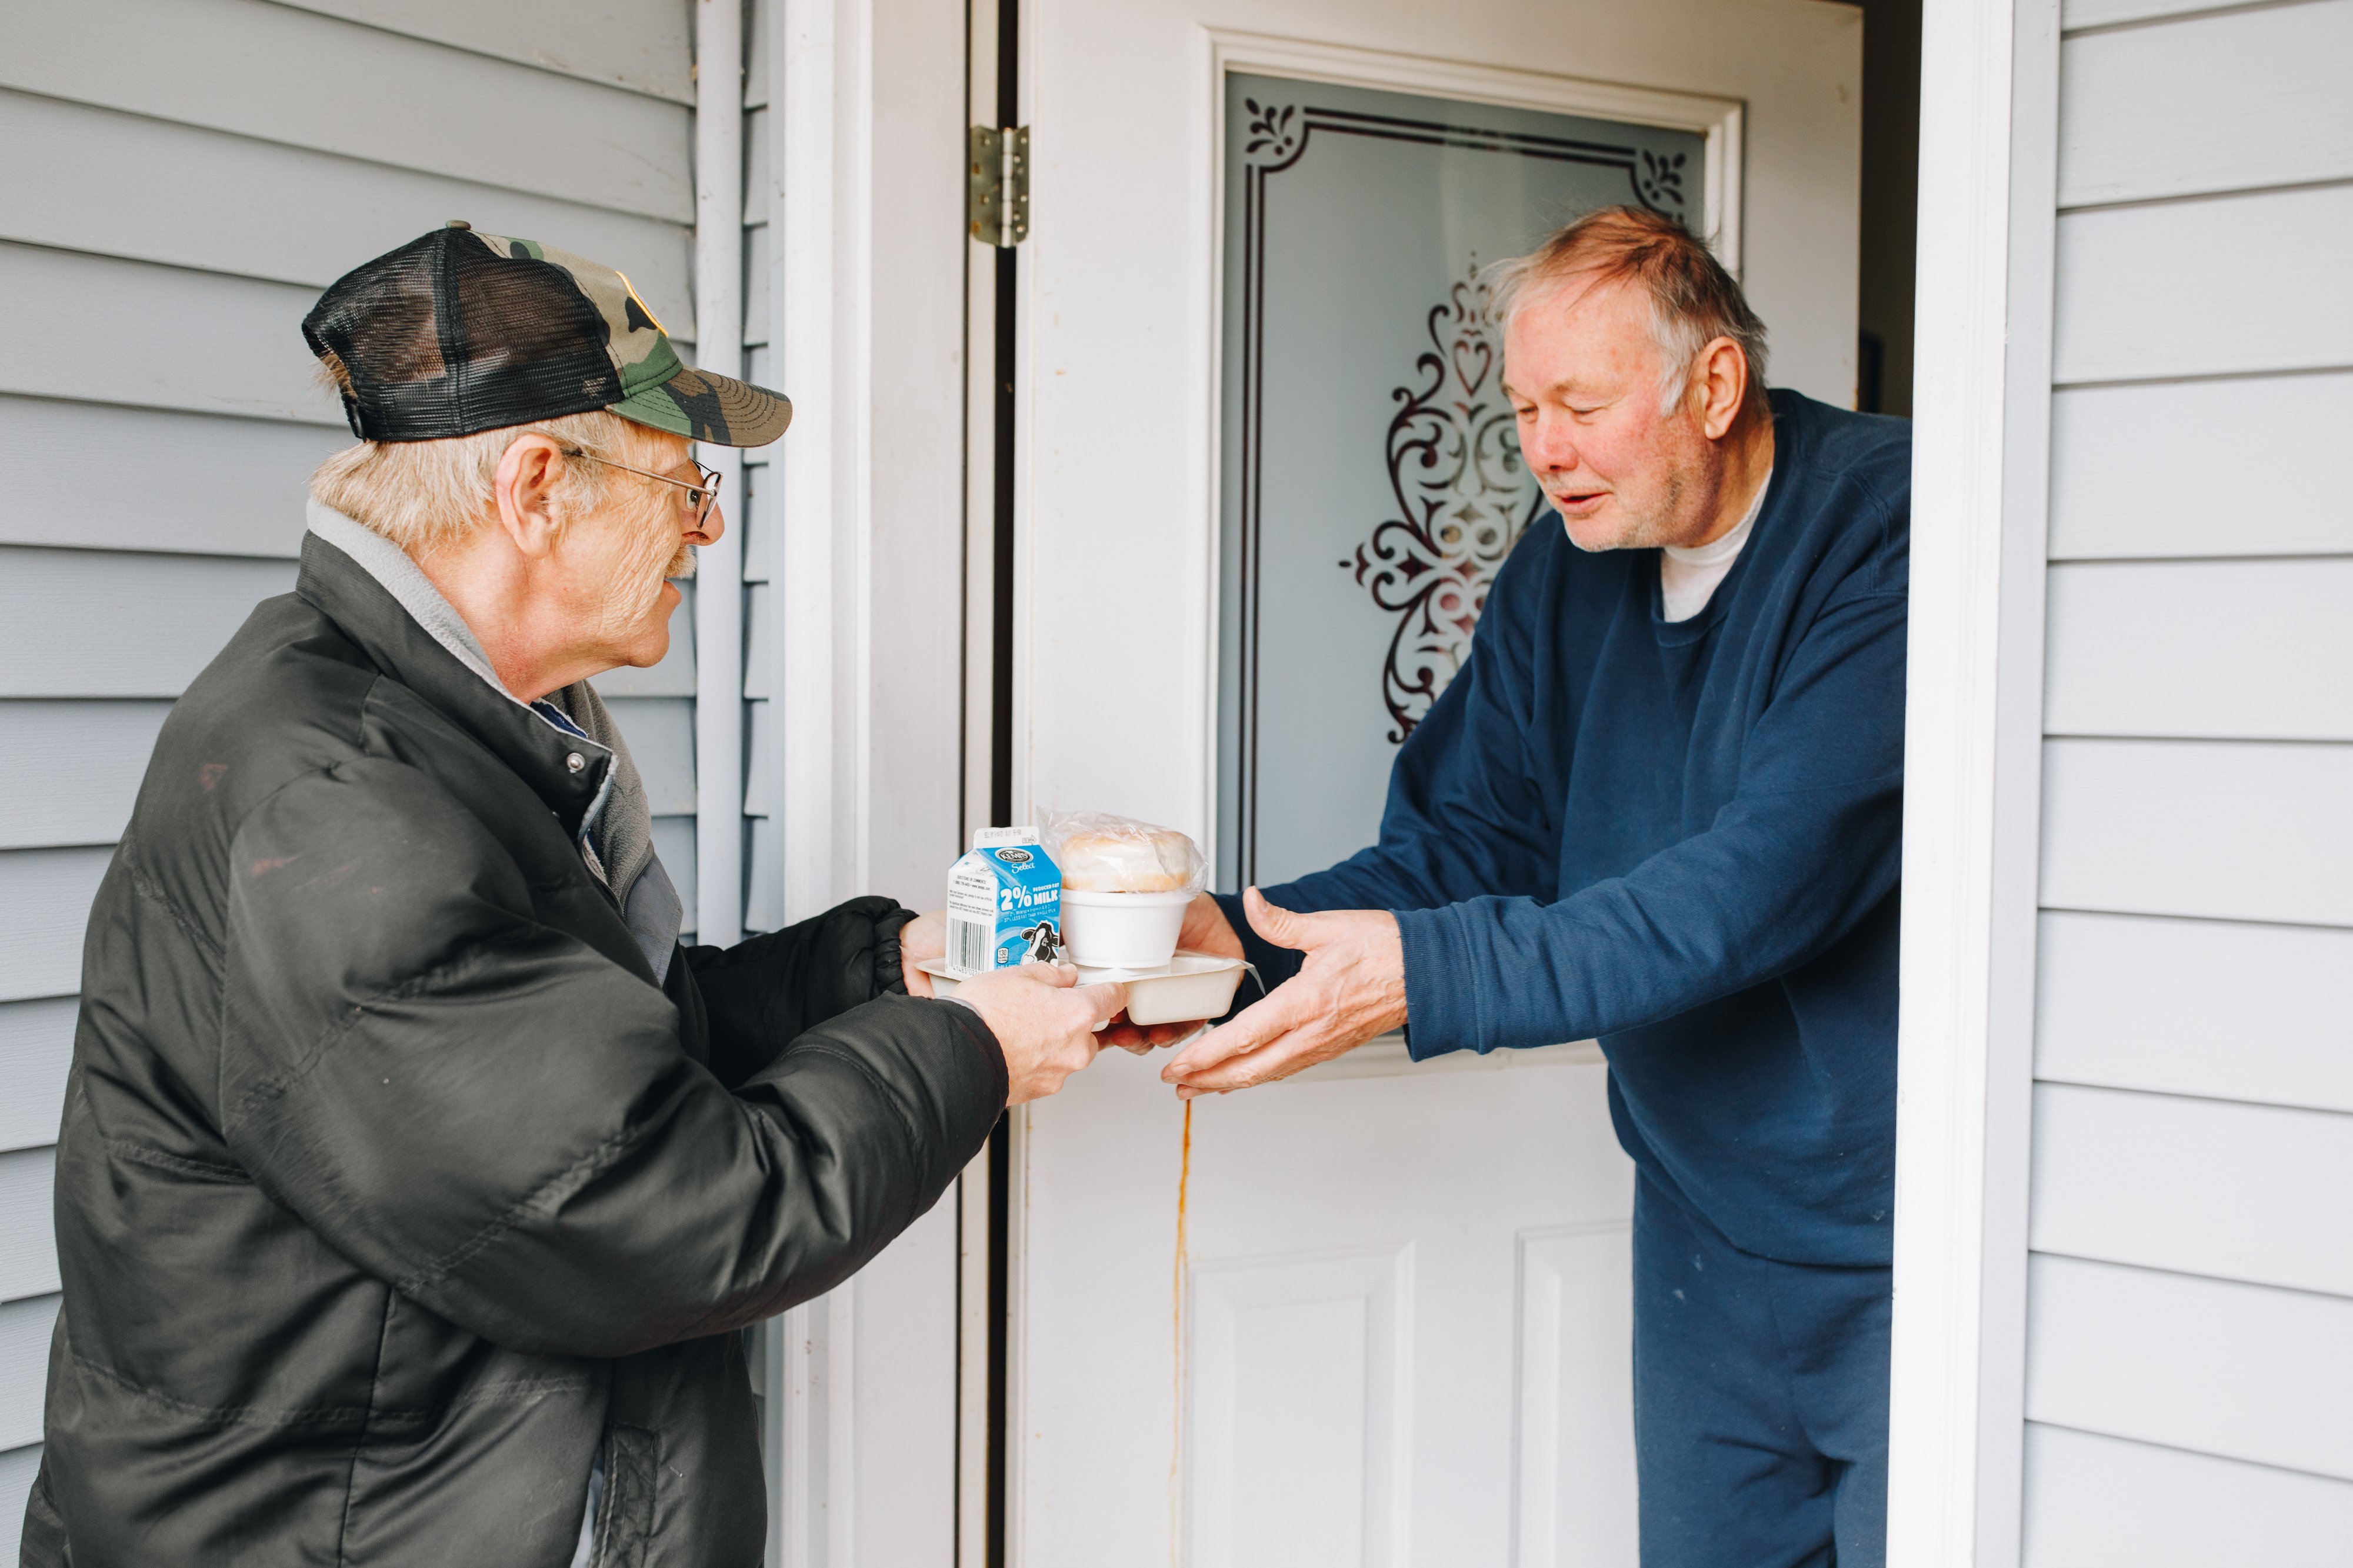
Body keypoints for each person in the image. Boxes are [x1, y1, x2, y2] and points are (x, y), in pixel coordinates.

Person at [22, 225, 1126, 1567]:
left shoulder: (443, 721)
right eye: (684, 488)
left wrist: (886, 972)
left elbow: (593, 1048)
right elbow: (667, 1207)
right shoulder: (339, 802)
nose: (706, 531)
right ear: (537, 483)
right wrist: (976, 1050)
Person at [1164, 206, 1908, 1567]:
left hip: (1897, 1248)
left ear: (1713, 386)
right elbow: (1470, 836)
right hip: (1701, 1232)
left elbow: (1752, 887)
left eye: (1580, 403)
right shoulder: (1571, 554)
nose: (1543, 450)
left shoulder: (1888, 531)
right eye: (1521, 409)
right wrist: (1237, 943)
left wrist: (1434, 976)